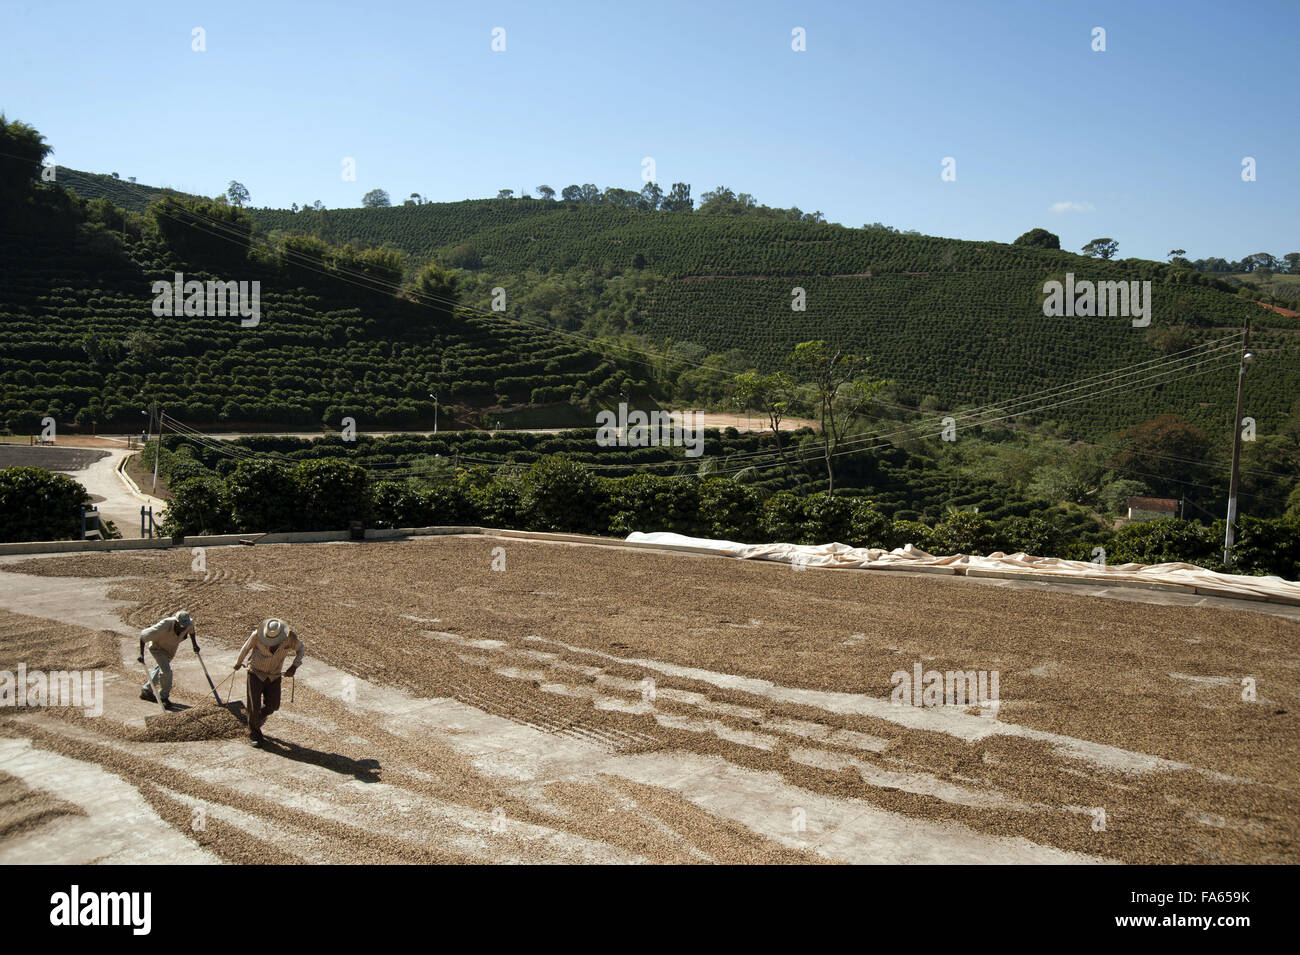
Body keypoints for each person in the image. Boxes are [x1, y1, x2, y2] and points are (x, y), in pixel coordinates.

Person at [234, 618, 305, 747]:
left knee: (273, 705)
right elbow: (245, 649)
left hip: (274, 675)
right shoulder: (256, 635)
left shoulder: (290, 638)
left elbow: (301, 649)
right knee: (253, 705)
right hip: (256, 673)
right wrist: (238, 663)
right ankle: (254, 734)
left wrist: (294, 666)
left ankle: (255, 719)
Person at [138, 610, 197, 708]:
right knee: (166, 671)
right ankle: (163, 697)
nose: (183, 628)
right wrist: (141, 654)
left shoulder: (189, 623)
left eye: (185, 626)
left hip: (171, 649)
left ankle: (146, 690)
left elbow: (192, 632)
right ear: (176, 621)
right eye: (181, 626)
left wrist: (195, 645)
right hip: (158, 648)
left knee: (160, 668)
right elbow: (143, 636)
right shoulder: (164, 625)